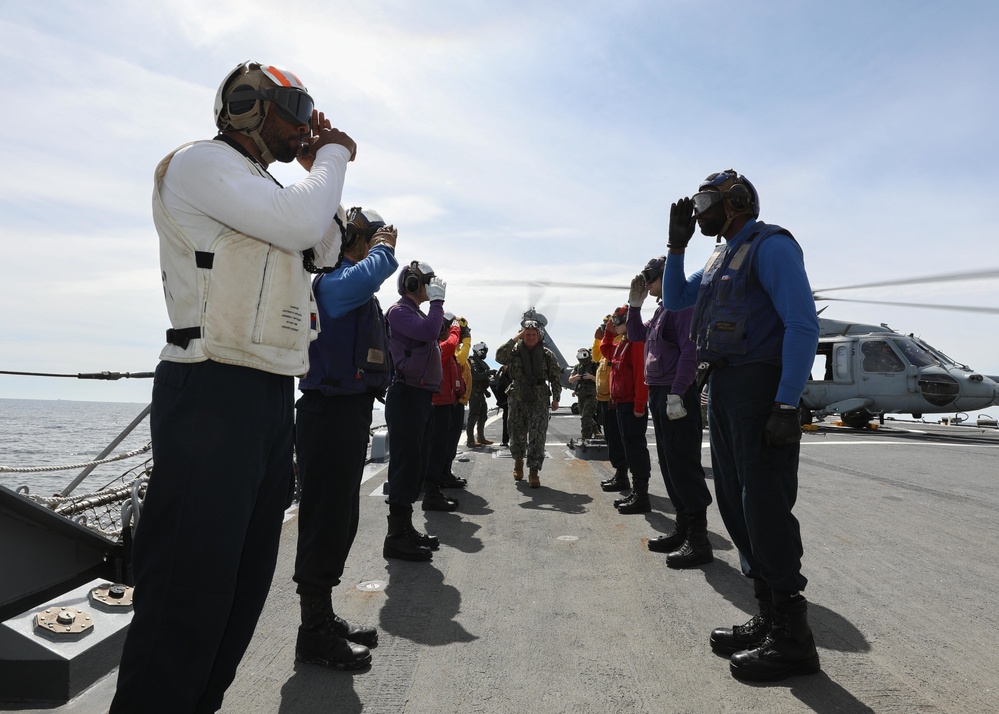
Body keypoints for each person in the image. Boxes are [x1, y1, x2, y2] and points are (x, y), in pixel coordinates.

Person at [111, 61, 358, 713]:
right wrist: (332, 154)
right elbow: (310, 227)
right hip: (210, 393)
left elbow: (327, 246)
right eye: (296, 108)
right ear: (247, 107)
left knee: (239, 594)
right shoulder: (201, 165)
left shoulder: (265, 190)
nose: (307, 123)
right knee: (185, 598)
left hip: (269, 397)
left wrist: (314, 170)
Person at [662, 170, 821, 682]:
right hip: (726, 387)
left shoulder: (770, 246)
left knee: (765, 505)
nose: (700, 210)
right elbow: (676, 300)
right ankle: (768, 615)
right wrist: (676, 247)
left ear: (736, 201)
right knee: (734, 500)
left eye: (708, 201)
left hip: (760, 387)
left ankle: (794, 638)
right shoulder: (720, 254)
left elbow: (802, 324)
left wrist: (785, 404)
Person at [292, 207, 397, 670]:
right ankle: (311, 632)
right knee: (325, 521)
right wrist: (384, 249)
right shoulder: (331, 283)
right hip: (327, 413)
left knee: (340, 520)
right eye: (368, 238)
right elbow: (367, 276)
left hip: (347, 413)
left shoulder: (354, 285)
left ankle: (322, 617)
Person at [627, 256, 712, 568]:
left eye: (651, 277)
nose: (646, 282)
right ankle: (683, 529)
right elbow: (636, 335)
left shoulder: (682, 308)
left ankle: (699, 541)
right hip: (661, 393)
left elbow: (691, 352)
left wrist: (678, 392)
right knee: (670, 464)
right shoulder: (663, 310)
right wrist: (634, 305)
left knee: (684, 466)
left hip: (677, 394)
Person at [384, 260, 448, 561]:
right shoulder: (399, 312)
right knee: (405, 464)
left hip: (420, 396)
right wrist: (438, 302)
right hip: (407, 395)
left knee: (415, 464)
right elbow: (429, 332)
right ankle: (395, 536)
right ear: (412, 285)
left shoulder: (415, 314)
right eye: (426, 282)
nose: (429, 287)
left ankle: (404, 528)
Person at [495, 321, 561, 488]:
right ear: (522, 336)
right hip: (517, 397)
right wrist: (517, 336)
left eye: (533, 335)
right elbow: (499, 356)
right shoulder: (514, 353)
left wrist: (556, 398)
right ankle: (518, 461)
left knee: (538, 436)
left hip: (539, 399)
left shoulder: (547, 355)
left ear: (539, 336)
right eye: (527, 335)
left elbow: (555, 377)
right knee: (516, 433)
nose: (531, 338)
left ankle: (534, 471)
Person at [601, 306, 651, 514]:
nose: (615, 323)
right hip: (622, 404)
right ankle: (634, 490)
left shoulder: (636, 343)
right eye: (614, 320)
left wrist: (640, 404)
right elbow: (606, 350)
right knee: (628, 447)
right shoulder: (622, 344)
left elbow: (641, 375)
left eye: (618, 320)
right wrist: (608, 331)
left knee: (636, 449)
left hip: (632, 405)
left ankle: (642, 495)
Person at [423, 315, 463, 511]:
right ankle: (431, 493)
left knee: (440, 449)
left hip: (446, 403)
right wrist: (456, 328)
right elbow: (453, 342)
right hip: (437, 405)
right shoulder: (439, 346)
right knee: (435, 450)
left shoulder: (440, 347)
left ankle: (435, 489)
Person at [595, 318, 630, 491]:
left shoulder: (620, 344)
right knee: (611, 438)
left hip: (613, 399)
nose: (607, 328)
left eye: (611, 326)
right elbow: (597, 356)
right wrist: (600, 338)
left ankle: (623, 476)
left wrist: (608, 336)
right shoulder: (610, 344)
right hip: (604, 399)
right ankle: (619, 473)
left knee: (617, 439)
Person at [467, 341, 495, 447]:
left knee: (483, 416)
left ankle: (481, 437)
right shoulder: (472, 361)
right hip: (474, 393)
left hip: (481, 393)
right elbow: (475, 376)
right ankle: (470, 440)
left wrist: (486, 391)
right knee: (473, 415)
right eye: (483, 352)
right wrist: (488, 373)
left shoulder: (479, 362)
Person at [568, 347, 598, 440]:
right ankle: (596, 431)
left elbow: (600, 380)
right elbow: (570, 380)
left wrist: (590, 377)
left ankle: (585, 437)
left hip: (592, 395)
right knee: (584, 416)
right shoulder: (577, 367)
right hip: (581, 395)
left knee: (585, 417)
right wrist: (576, 377)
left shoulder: (594, 366)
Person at [490, 364, 513, 446]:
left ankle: (506, 440)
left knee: (509, 420)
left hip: (509, 401)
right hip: (509, 401)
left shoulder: (503, 373)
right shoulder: (503, 374)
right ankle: (505, 440)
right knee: (508, 420)